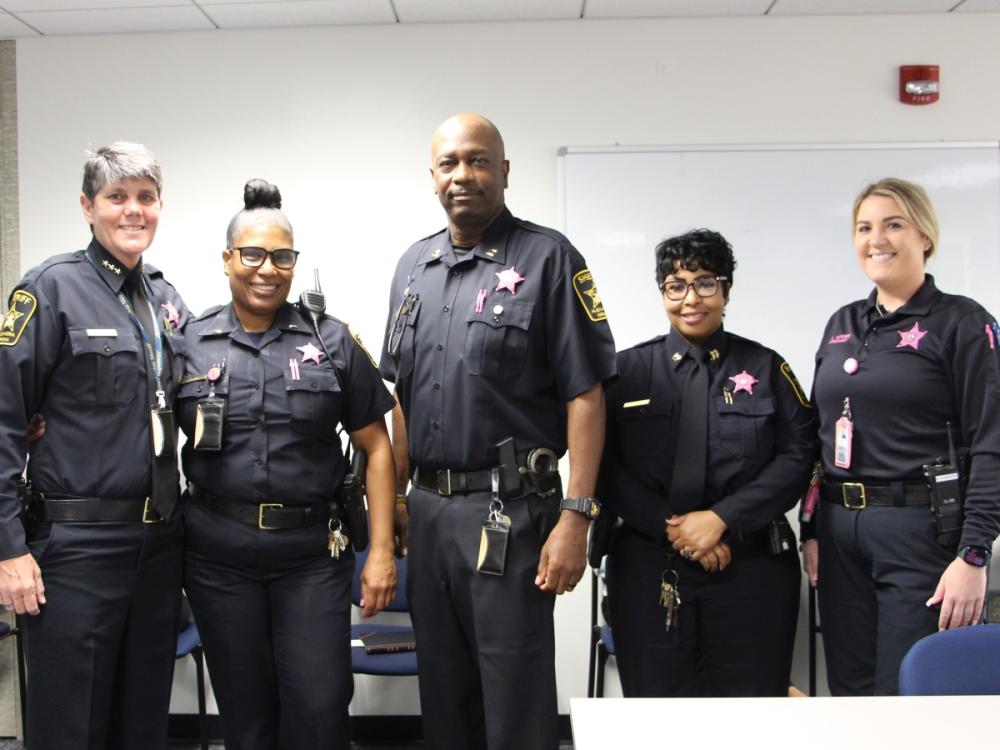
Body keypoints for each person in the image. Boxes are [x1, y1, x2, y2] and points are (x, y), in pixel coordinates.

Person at [379, 113, 617, 749]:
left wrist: (577, 514)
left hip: (509, 512)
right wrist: (399, 499)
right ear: (433, 178)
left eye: (480, 160)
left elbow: (587, 394)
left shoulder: (549, 259)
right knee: (445, 692)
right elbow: (400, 393)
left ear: (505, 171)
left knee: (513, 697)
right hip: (428, 514)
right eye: (450, 163)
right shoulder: (412, 267)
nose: (465, 174)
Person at [177, 179, 397, 750]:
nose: (266, 269)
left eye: (281, 256)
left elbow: (377, 447)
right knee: (247, 719)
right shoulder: (189, 344)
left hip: (309, 558)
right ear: (227, 259)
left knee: (321, 710)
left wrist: (378, 551)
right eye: (252, 254)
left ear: (295, 263)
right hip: (217, 558)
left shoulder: (330, 341)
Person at [0, 142, 188, 749]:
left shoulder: (165, 300)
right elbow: (3, 419)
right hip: (76, 548)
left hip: (157, 545)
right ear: (88, 206)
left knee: (142, 724)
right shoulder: (49, 289)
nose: (133, 211)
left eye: (145, 198)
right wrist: (6, 549)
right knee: (71, 726)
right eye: (117, 198)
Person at [597, 229, 815, 696]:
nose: (691, 298)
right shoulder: (625, 372)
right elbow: (601, 463)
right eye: (676, 286)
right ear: (663, 294)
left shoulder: (766, 368)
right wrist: (675, 530)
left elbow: (799, 456)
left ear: (727, 290)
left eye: (706, 283)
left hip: (749, 567)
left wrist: (721, 519)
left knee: (751, 711)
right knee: (658, 711)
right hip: (649, 567)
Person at [805, 177, 1000, 695]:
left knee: (905, 692)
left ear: (925, 236)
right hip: (840, 529)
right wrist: (810, 530)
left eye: (894, 224)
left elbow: (991, 443)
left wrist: (974, 555)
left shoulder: (962, 322)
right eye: (864, 227)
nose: (877, 239)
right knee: (850, 687)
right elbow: (819, 438)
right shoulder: (841, 323)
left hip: (919, 530)